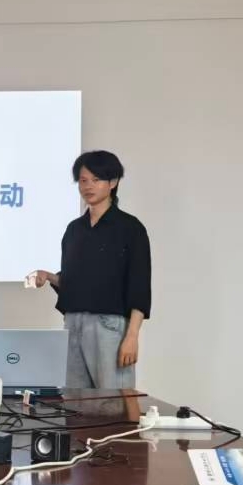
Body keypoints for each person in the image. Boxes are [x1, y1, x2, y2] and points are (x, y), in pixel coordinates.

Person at [30, 150, 151, 390]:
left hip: (109, 326)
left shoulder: (130, 228)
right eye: (83, 180)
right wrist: (49, 276)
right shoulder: (74, 230)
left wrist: (132, 336)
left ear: (113, 182)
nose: (88, 186)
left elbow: (139, 285)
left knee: (112, 401)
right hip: (73, 323)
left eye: (96, 180)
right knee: (74, 402)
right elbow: (74, 282)